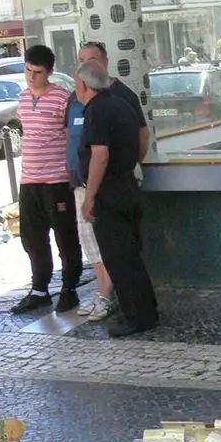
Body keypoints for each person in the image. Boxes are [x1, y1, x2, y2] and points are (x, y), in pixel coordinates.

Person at [64, 42, 149, 320]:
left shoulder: (98, 109)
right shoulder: (119, 104)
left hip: (111, 191)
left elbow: (100, 156)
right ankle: (144, 312)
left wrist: (90, 197)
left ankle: (136, 316)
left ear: (86, 86)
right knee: (128, 256)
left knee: (119, 257)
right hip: (124, 186)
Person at [12, 45, 82, 314]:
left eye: (37, 72)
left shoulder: (63, 98)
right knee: (32, 238)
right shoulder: (22, 98)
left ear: (49, 72)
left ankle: (70, 288)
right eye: (28, 70)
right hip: (29, 181)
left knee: (65, 236)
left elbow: (72, 137)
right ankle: (40, 289)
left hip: (56, 181)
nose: (31, 77)